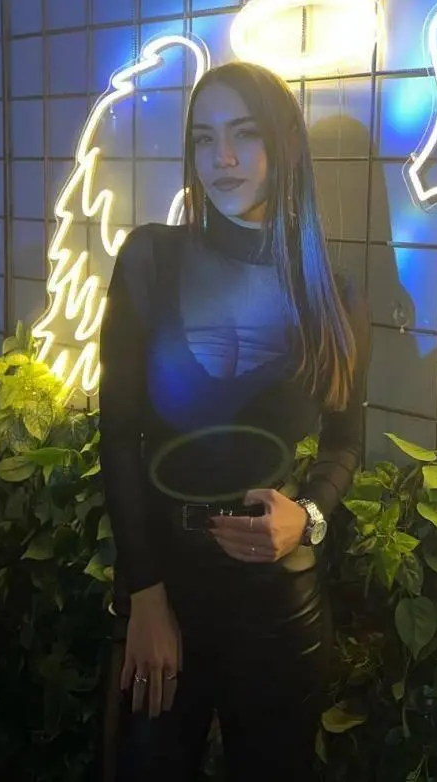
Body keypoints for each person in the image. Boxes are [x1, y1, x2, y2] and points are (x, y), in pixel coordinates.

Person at [97, 61, 371, 781]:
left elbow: (346, 442)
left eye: (244, 135)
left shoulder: (332, 295)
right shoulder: (151, 258)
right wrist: (144, 594)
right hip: (167, 587)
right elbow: (119, 435)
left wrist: (308, 517)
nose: (222, 158)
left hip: (280, 603)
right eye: (204, 138)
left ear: (283, 146)